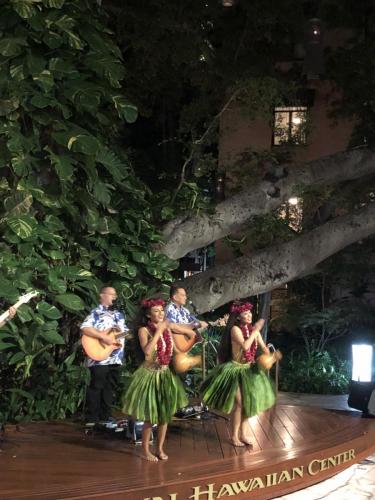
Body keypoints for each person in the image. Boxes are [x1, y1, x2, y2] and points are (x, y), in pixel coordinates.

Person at [201, 301, 275, 447]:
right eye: (245, 314)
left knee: (247, 404)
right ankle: (234, 436)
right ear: (238, 317)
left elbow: (264, 350)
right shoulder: (235, 330)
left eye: (249, 313)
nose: (249, 315)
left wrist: (270, 355)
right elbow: (246, 346)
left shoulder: (253, 330)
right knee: (240, 404)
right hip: (234, 370)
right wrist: (255, 331)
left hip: (249, 370)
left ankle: (244, 434)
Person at [122, 298, 187, 462]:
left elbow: (176, 350)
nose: (160, 313)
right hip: (150, 376)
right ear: (148, 315)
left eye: (162, 310)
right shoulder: (144, 330)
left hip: (165, 375)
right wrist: (159, 331)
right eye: (156, 311)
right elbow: (148, 352)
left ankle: (159, 448)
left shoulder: (167, 331)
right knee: (151, 417)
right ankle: (145, 450)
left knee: (165, 415)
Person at [81, 286, 128, 426]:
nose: (114, 297)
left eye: (115, 294)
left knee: (109, 387)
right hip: (99, 356)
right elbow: (85, 328)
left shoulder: (119, 315)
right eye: (111, 294)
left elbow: (124, 333)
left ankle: (105, 416)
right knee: (97, 385)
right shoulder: (96, 313)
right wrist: (103, 337)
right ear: (102, 295)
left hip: (115, 357)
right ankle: (92, 418)